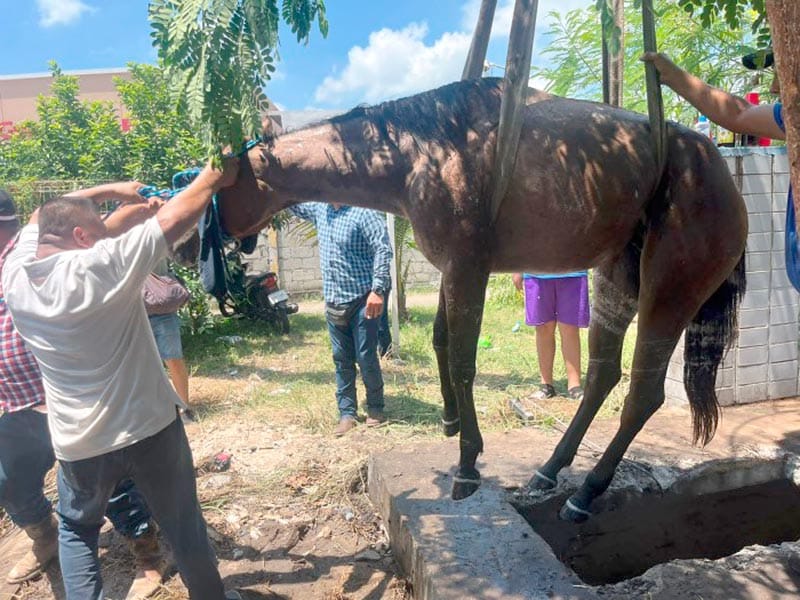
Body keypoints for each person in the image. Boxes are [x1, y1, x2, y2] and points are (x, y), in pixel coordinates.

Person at [1, 159, 241, 600]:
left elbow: (40, 217)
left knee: (77, 531)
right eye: (98, 234)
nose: (104, 239)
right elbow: (171, 220)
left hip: (79, 442)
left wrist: (114, 191)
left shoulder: (14, 276)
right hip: (148, 428)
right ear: (80, 238)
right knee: (184, 526)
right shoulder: (101, 265)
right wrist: (212, 176)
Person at [0, 189, 167, 599]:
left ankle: (148, 554)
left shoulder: (29, 251)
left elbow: (59, 209)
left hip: (63, 395)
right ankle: (44, 536)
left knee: (112, 482)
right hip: (11, 403)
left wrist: (115, 194)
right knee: (9, 481)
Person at [288, 202, 393, 436]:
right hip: (334, 301)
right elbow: (293, 204)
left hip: (363, 300)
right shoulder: (320, 210)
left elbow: (383, 250)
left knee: (365, 356)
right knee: (341, 359)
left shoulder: (364, 213)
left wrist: (378, 290)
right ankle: (347, 413)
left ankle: (376, 408)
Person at [513, 271, 590, 401]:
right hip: (536, 273)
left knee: (570, 328)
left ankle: (574, 385)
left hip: (572, 271)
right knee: (543, 328)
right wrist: (517, 269)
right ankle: (546, 385)